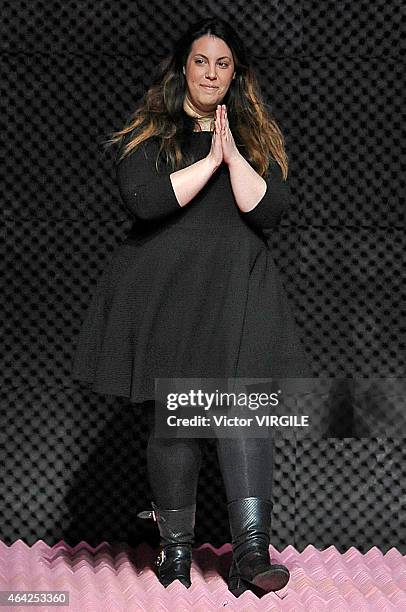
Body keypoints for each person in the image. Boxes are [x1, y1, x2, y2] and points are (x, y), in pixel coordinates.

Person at [71, 17, 311, 597]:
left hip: (239, 293)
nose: (210, 72)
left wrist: (232, 158)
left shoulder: (254, 135)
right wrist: (207, 161)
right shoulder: (153, 132)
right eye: (201, 61)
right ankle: (175, 554)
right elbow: (146, 201)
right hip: (169, 295)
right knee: (176, 420)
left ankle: (251, 558)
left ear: (236, 74)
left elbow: (269, 210)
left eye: (222, 63)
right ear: (184, 68)